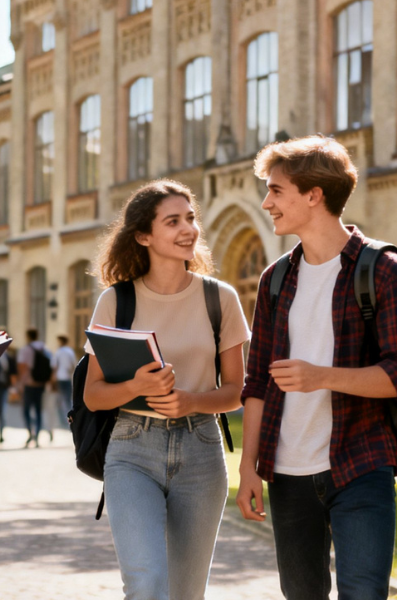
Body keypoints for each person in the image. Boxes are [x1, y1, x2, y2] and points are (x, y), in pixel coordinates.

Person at [236, 136, 397, 600]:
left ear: (314, 195)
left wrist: (321, 376)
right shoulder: (276, 279)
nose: (267, 203)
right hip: (287, 472)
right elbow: (256, 381)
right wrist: (247, 468)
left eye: (276, 191)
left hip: (360, 464)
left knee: (363, 593)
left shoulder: (383, 269)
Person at [82, 180, 250, 600]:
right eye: (172, 221)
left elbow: (235, 390)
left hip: (201, 450)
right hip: (132, 450)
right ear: (143, 236)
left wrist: (191, 400)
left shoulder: (220, 299)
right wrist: (136, 386)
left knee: (187, 592)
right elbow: (93, 395)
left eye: (190, 218)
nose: (188, 229)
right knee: (147, 583)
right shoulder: (115, 302)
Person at [16, 329, 51, 448]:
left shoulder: (25, 349)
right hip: (41, 384)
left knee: (26, 410)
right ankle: (37, 436)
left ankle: (30, 433)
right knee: (38, 410)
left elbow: (22, 367)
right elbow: (51, 366)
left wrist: (20, 383)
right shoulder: (45, 348)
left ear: (27, 336)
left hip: (29, 384)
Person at [51, 334, 77, 430]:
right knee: (67, 400)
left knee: (59, 400)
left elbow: (54, 366)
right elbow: (74, 365)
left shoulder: (59, 352)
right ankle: (70, 420)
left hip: (59, 378)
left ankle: (62, 420)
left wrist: (52, 380)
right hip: (67, 378)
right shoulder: (70, 352)